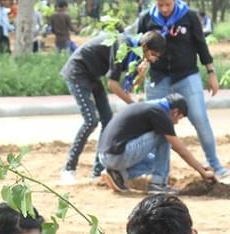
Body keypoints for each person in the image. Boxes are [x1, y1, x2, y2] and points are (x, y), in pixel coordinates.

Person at [137, 0, 230, 184]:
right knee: (156, 124)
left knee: (199, 118)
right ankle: (158, 173)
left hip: (186, 76)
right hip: (158, 78)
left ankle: (215, 164)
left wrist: (211, 72)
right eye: (160, 6)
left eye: (167, 5)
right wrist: (139, 67)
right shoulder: (146, 19)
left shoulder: (188, 16)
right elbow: (138, 48)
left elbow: (201, 44)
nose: (164, 10)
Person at [59, 31, 166, 185]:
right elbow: (113, 85)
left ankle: (98, 171)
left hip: (93, 76)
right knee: (91, 121)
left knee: (107, 120)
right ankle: (68, 169)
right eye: (153, 54)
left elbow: (128, 87)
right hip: (78, 72)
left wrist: (141, 74)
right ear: (145, 46)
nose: (154, 59)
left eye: (157, 56)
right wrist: (135, 106)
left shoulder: (134, 54)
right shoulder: (123, 46)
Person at [97, 94, 215, 194]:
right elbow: (181, 150)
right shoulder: (160, 114)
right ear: (175, 112)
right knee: (164, 136)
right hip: (117, 156)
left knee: (154, 162)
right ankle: (159, 184)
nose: (177, 123)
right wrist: (202, 172)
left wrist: (200, 166)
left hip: (106, 156)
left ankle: (118, 174)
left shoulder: (149, 107)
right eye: (179, 118)